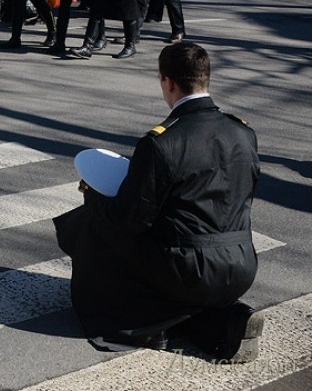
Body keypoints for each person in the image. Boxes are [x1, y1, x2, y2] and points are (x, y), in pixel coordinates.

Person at [54, 43, 263, 362]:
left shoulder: (163, 142)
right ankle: (226, 320)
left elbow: (128, 220)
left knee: (93, 223)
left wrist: (92, 195)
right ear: (206, 79)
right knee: (177, 267)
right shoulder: (243, 132)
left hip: (188, 270)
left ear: (168, 82)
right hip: (242, 264)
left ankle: (138, 325)